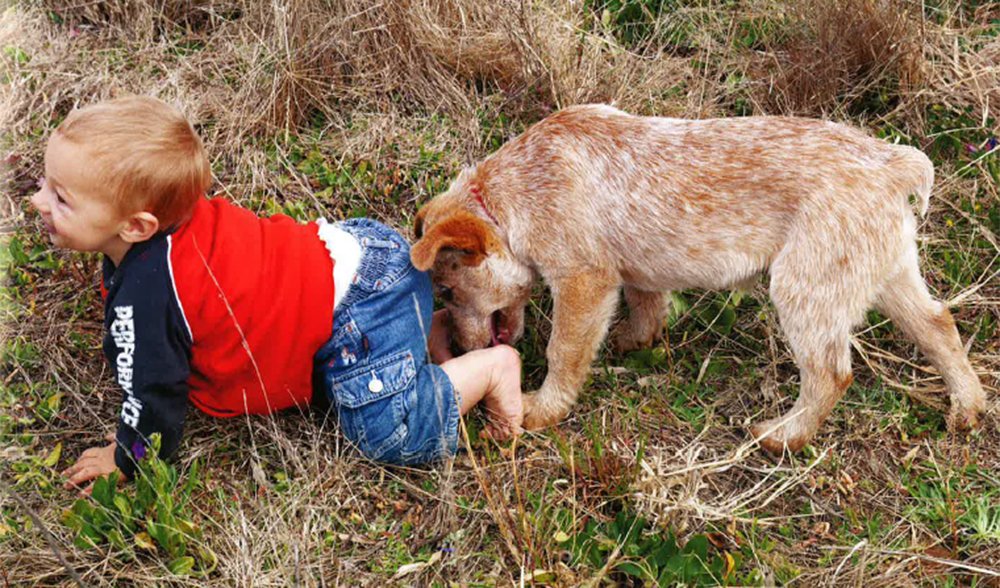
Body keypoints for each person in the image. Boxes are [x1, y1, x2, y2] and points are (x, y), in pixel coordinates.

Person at [28, 95, 523, 494]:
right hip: (360, 257)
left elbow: (153, 394)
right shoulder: (166, 228)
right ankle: (425, 328)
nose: (37, 202)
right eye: (46, 186)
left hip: (361, 308)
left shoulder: (152, 291)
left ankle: (492, 367)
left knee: (386, 435)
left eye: (60, 198)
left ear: (138, 225)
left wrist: (129, 455)